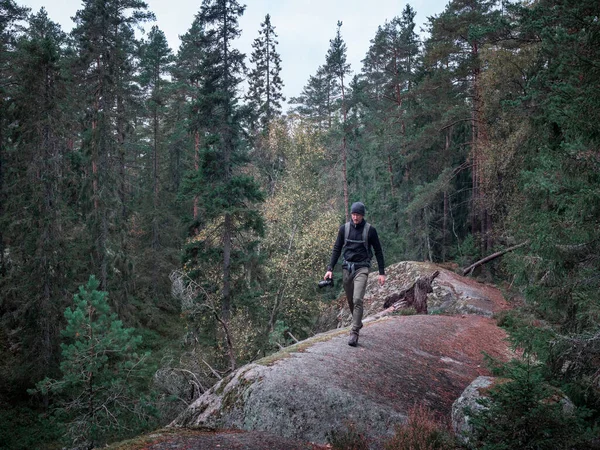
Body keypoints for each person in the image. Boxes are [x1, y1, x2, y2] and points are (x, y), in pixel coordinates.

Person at [324, 202, 385, 346]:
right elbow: (337, 249)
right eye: (353, 214)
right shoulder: (344, 229)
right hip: (347, 268)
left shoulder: (370, 230)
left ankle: (354, 332)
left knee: (358, 299)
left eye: (357, 215)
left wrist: (382, 272)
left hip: (362, 269)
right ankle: (358, 322)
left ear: (362, 215)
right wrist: (330, 268)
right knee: (351, 300)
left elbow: (378, 251)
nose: (355, 217)